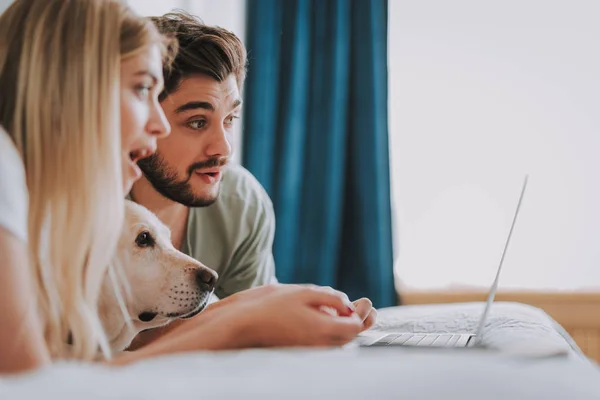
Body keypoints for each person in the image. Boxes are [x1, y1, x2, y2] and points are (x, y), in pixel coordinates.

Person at [0, 0, 364, 375]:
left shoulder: (241, 202)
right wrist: (241, 321)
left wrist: (264, 307)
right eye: (142, 89)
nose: (156, 124)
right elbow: (33, 384)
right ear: (70, 93)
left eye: (231, 119)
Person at [128, 12, 376, 341]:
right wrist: (258, 312)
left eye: (230, 119)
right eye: (198, 122)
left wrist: (303, 314)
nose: (224, 148)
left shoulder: (241, 203)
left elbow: (254, 341)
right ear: (145, 119)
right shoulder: (83, 204)